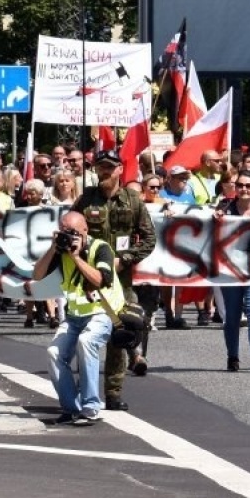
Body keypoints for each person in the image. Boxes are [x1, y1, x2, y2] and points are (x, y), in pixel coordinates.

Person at [71, 150, 155, 411]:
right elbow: (71, 229)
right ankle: (85, 390)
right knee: (86, 336)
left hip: (120, 280)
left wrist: (125, 259)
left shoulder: (133, 200)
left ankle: (114, 393)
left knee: (121, 334)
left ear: (120, 169)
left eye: (109, 167)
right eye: (100, 167)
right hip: (90, 280)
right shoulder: (86, 199)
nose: (104, 172)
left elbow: (149, 239)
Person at [34, 210, 120, 426]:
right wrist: (54, 248)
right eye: (64, 232)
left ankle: (91, 406)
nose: (68, 237)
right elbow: (37, 275)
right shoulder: (60, 250)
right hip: (74, 315)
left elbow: (101, 279)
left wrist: (75, 256)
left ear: (85, 231)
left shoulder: (100, 248)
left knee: (87, 342)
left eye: (73, 233)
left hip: (101, 312)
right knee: (54, 353)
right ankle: (72, 408)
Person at [220, 174, 250, 373]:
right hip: (230, 270)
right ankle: (232, 356)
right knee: (232, 316)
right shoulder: (224, 208)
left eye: (248, 185)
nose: (244, 189)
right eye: (240, 185)